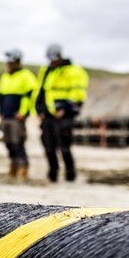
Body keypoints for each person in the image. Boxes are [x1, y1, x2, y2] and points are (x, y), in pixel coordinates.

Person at [31, 44, 88, 182]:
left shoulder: (73, 71)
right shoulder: (48, 71)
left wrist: (66, 109)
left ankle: (70, 175)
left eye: (54, 59)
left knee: (64, 147)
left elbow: (78, 94)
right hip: (49, 116)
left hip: (64, 116)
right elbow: (41, 92)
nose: (52, 61)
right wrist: (39, 110)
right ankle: (53, 174)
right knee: (49, 147)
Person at [0, 49, 37, 180]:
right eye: (8, 62)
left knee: (18, 142)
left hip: (17, 117)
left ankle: (23, 167)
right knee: (8, 142)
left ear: (18, 62)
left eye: (11, 62)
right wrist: (1, 112)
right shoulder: (5, 77)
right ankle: (13, 164)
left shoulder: (27, 76)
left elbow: (31, 97)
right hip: (6, 116)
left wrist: (23, 112)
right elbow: (1, 96)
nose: (9, 64)